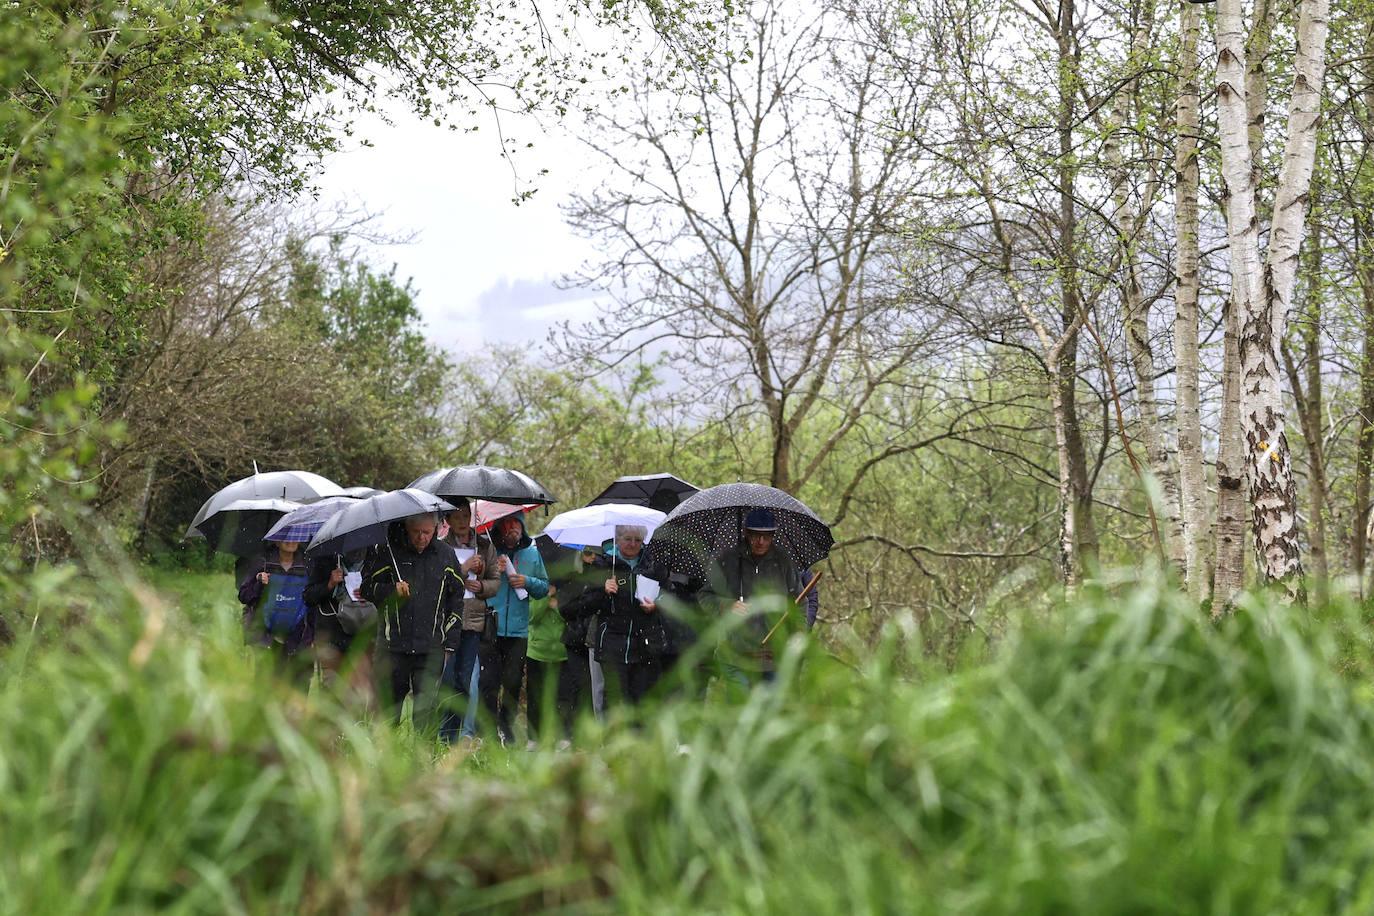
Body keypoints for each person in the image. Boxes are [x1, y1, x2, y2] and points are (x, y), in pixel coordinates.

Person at [360, 513, 463, 730]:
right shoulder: (388, 551)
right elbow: (367, 588)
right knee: (387, 714)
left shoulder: (446, 555)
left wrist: (450, 642)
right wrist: (390, 590)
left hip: (431, 648)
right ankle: (383, 749)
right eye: (416, 532)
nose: (421, 537)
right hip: (393, 647)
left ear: (436, 529)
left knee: (425, 716)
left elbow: (457, 597)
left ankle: (424, 751)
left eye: (426, 532)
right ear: (406, 529)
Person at [704, 508, 801, 689]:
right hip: (735, 657)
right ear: (746, 533)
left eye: (766, 536)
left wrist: (798, 633)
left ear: (773, 535)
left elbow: (800, 601)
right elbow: (705, 597)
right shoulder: (728, 560)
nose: (761, 541)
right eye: (756, 535)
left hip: (773, 659)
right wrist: (726, 606)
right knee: (741, 705)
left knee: (771, 706)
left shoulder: (783, 561)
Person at [580, 525, 670, 711]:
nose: (633, 544)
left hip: (645, 644)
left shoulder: (653, 565)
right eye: (628, 539)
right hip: (612, 643)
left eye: (638, 540)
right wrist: (603, 590)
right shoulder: (603, 565)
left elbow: (669, 596)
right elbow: (584, 605)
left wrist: (656, 606)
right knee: (615, 701)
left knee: (642, 702)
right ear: (618, 539)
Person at [480, 514, 549, 747]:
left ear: (522, 526)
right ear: (499, 528)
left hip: (519, 631)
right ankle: (488, 733)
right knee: (488, 682)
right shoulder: (489, 552)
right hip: (492, 626)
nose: (511, 528)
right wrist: (493, 571)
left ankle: (506, 729)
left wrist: (527, 581)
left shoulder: (532, 554)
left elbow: (544, 587)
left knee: (512, 682)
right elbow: (477, 584)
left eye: (515, 523)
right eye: (506, 524)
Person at [437, 500, 499, 744]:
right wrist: (462, 569)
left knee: (465, 680)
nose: (462, 521)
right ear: (447, 521)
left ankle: (459, 735)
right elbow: (438, 582)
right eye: (457, 517)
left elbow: (495, 582)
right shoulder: (441, 547)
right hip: (448, 622)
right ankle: (444, 734)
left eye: (466, 516)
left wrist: (481, 585)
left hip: (473, 621)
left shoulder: (484, 546)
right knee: (447, 679)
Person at [237, 539, 314, 686]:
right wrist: (259, 582)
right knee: (267, 683)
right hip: (266, 636)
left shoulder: (308, 564)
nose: (291, 540)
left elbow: (312, 600)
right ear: (276, 541)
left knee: (298, 684)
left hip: (298, 636)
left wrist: (312, 636)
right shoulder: (262, 562)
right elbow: (244, 596)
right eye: (285, 537)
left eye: (295, 536)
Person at [304, 546, 374, 707]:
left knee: (360, 690)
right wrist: (330, 584)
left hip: (361, 633)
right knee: (331, 689)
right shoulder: (324, 557)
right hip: (331, 634)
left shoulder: (372, 556)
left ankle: (354, 721)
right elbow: (309, 596)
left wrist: (369, 589)